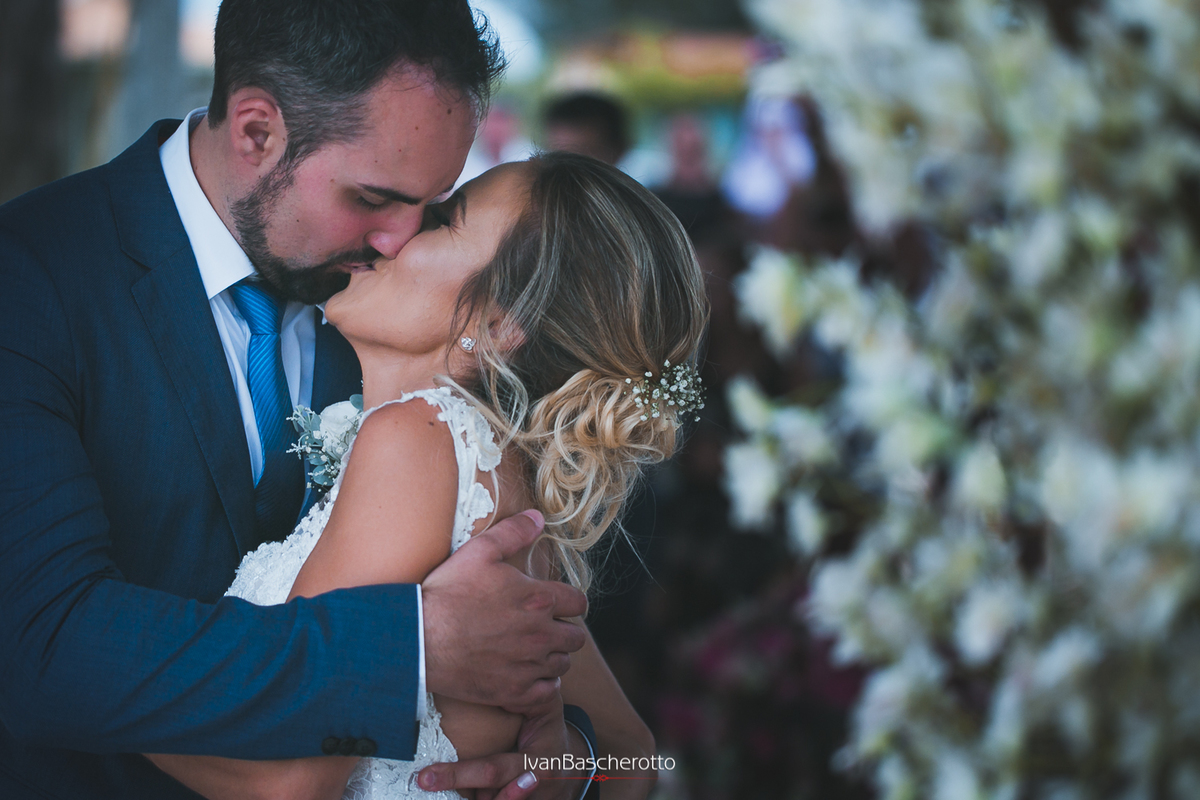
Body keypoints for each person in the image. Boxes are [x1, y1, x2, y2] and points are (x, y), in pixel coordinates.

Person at [0, 2, 600, 798]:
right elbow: (41, 644)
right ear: (257, 132)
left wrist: (568, 763)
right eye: (374, 197)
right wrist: (413, 649)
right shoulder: (33, 276)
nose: (401, 240)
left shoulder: (403, 323)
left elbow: (588, 704)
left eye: (433, 205)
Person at [150, 151, 708, 799]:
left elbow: (290, 778)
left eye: (443, 220)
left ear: (500, 323)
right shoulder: (497, 476)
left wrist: (75, 686)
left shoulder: (422, 442)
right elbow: (633, 757)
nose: (396, 229)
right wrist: (568, 770)